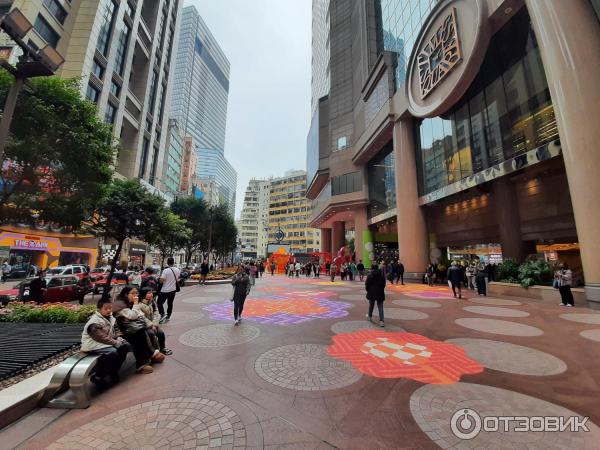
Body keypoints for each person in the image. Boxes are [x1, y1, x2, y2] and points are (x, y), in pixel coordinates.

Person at [81, 298, 132, 389]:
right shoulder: (94, 322)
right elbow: (101, 337)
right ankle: (98, 377)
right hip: (93, 344)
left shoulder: (111, 317)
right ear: (99, 310)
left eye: (110, 308)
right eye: (106, 309)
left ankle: (113, 371)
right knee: (112, 352)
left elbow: (115, 331)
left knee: (125, 346)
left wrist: (119, 337)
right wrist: (116, 342)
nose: (109, 310)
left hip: (104, 343)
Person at [113, 287, 163, 374]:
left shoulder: (130, 302)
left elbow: (141, 315)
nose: (136, 295)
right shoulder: (119, 305)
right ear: (126, 294)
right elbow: (133, 316)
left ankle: (151, 356)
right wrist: (136, 303)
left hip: (132, 327)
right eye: (133, 293)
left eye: (137, 293)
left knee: (149, 332)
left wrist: (151, 324)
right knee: (139, 335)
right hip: (121, 331)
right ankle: (141, 364)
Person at [134, 288, 172, 355]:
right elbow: (142, 317)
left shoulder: (152, 302)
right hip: (143, 325)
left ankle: (162, 348)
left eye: (151, 292)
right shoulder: (139, 305)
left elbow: (156, 313)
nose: (151, 294)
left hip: (153, 324)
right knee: (151, 333)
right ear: (143, 294)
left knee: (161, 333)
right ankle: (153, 352)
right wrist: (150, 325)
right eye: (148, 293)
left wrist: (154, 324)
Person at [157, 257, 181, 324]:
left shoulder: (166, 271)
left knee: (159, 303)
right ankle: (168, 315)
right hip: (173, 290)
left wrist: (159, 279)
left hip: (164, 290)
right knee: (170, 303)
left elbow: (162, 280)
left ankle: (162, 314)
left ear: (167, 263)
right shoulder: (177, 270)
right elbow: (177, 278)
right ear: (173, 262)